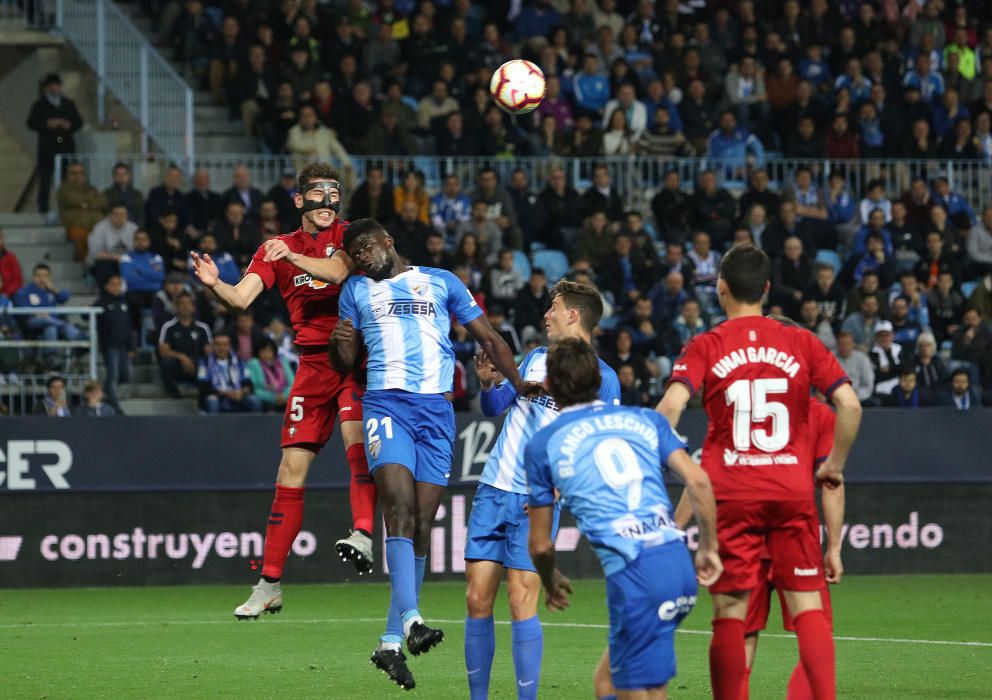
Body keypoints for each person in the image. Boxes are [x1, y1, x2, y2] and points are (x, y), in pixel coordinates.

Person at [324, 217, 536, 690]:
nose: (361, 257)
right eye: (353, 253)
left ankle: (389, 641)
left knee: (421, 523)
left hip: (437, 413)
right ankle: (414, 619)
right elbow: (344, 361)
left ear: (387, 242)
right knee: (396, 509)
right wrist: (339, 349)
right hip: (385, 405)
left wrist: (520, 385)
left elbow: (490, 339)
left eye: (365, 247)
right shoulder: (356, 292)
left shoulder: (441, 281)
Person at [658, 244, 863, 700]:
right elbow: (849, 404)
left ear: (721, 288)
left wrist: (659, 458)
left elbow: (670, 406)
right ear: (768, 288)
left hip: (731, 493)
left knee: (731, 613)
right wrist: (834, 466)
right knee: (809, 608)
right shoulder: (802, 341)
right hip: (790, 490)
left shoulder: (705, 344)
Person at [192, 164, 379, 617]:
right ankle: (269, 583)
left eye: (333, 196)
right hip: (312, 369)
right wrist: (216, 284)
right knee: (288, 472)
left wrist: (290, 258)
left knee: (357, 445)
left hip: (354, 360)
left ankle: (363, 534)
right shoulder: (276, 248)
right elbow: (241, 299)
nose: (327, 204)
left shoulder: (350, 235)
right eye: (318, 195)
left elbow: (337, 273)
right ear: (300, 202)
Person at [523, 337, 721, 700]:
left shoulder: (543, 444)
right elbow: (698, 480)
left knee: (627, 689)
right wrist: (708, 548)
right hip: (677, 565)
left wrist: (549, 580)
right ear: (598, 382)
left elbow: (538, 543)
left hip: (635, 576)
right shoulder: (645, 419)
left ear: (549, 384)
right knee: (613, 685)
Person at [464, 281, 622, 700]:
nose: (546, 315)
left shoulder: (604, 379)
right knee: (477, 598)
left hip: (539, 502)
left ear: (573, 315)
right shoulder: (534, 358)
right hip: (494, 488)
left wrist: (564, 489)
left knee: (521, 599)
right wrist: (487, 384)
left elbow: (598, 445)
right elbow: (497, 408)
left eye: (554, 308)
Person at [728, 394, 845, 700]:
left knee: (742, 635)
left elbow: (709, 476)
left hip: (744, 535)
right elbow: (831, 484)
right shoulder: (820, 414)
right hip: (794, 534)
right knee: (816, 633)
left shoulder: (741, 407)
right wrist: (834, 547)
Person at [27, 73, 82, 218]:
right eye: (51, 86)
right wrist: (47, 124)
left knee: (67, 178)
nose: (54, 88)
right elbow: (31, 123)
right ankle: (43, 207)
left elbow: (78, 121)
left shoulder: (68, 104)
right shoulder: (39, 105)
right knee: (45, 177)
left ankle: (67, 206)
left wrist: (68, 125)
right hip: (47, 147)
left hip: (65, 145)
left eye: (56, 86)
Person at [13, 263, 82, 364]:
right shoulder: (25, 291)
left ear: (49, 278)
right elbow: (21, 306)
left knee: (50, 326)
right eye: (38, 276)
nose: (42, 279)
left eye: (45, 276)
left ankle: (51, 356)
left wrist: (53, 288)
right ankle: (76, 335)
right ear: (33, 277)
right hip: (33, 321)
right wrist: (36, 313)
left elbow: (64, 297)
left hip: (51, 322)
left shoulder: (51, 292)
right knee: (47, 320)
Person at [157, 292, 212, 397]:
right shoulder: (168, 327)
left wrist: (195, 362)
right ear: (176, 308)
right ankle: (173, 394)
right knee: (166, 362)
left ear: (193, 307)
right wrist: (182, 357)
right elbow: (163, 351)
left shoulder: (202, 327)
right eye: (182, 303)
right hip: (178, 365)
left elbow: (209, 350)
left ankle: (204, 395)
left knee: (207, 363)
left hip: (197, 365)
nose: (185, 306)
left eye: (188, 303)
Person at [94, 274, 132, 414]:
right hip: (110, 345)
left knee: (125, 375)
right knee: (113, 375)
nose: (116, 287)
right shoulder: (101, 302)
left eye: (118, 284)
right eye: (113, 284)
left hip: (123, 346)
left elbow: (129, 325)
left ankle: (105, 392)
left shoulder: (124, 302)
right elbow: (87, 316)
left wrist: (131, 346)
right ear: (106, 286)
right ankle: (114, 406)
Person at [198, 332, 262, 414]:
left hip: (238, 397)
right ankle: (213, 426)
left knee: (254, 400)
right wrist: (226, 393)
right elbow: (204, 388)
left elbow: (248, 384)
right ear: (212, 346)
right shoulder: (204, 363)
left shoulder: (239, 361)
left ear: (229, 346)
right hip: (218, 398)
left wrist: (241, 392)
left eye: (225, 344)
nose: (221, 348)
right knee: (212, 401)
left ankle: (255, 426)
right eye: (218, 344)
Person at [87, 203, 138, 284]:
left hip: (126, 261)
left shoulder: (133, 228)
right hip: (105, 262)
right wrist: (117, 257)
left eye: (123, 214)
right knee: (103, 264)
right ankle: (107, 291)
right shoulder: (99, 228)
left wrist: (123, 259)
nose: (120, 218)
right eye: (116, 214)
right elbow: (96, 254)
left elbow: (137, 250)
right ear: (109, 215)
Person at [245, 337, 295, 412]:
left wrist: (284, 396)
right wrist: (273, 398)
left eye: (269, 350)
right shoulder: (253, 364)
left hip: (285, 397)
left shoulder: (283, 362)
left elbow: (292, 384)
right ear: (257, 352)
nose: (266, 353)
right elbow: (254, 388)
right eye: (262, 351)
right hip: (265, 398)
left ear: (274, 351)